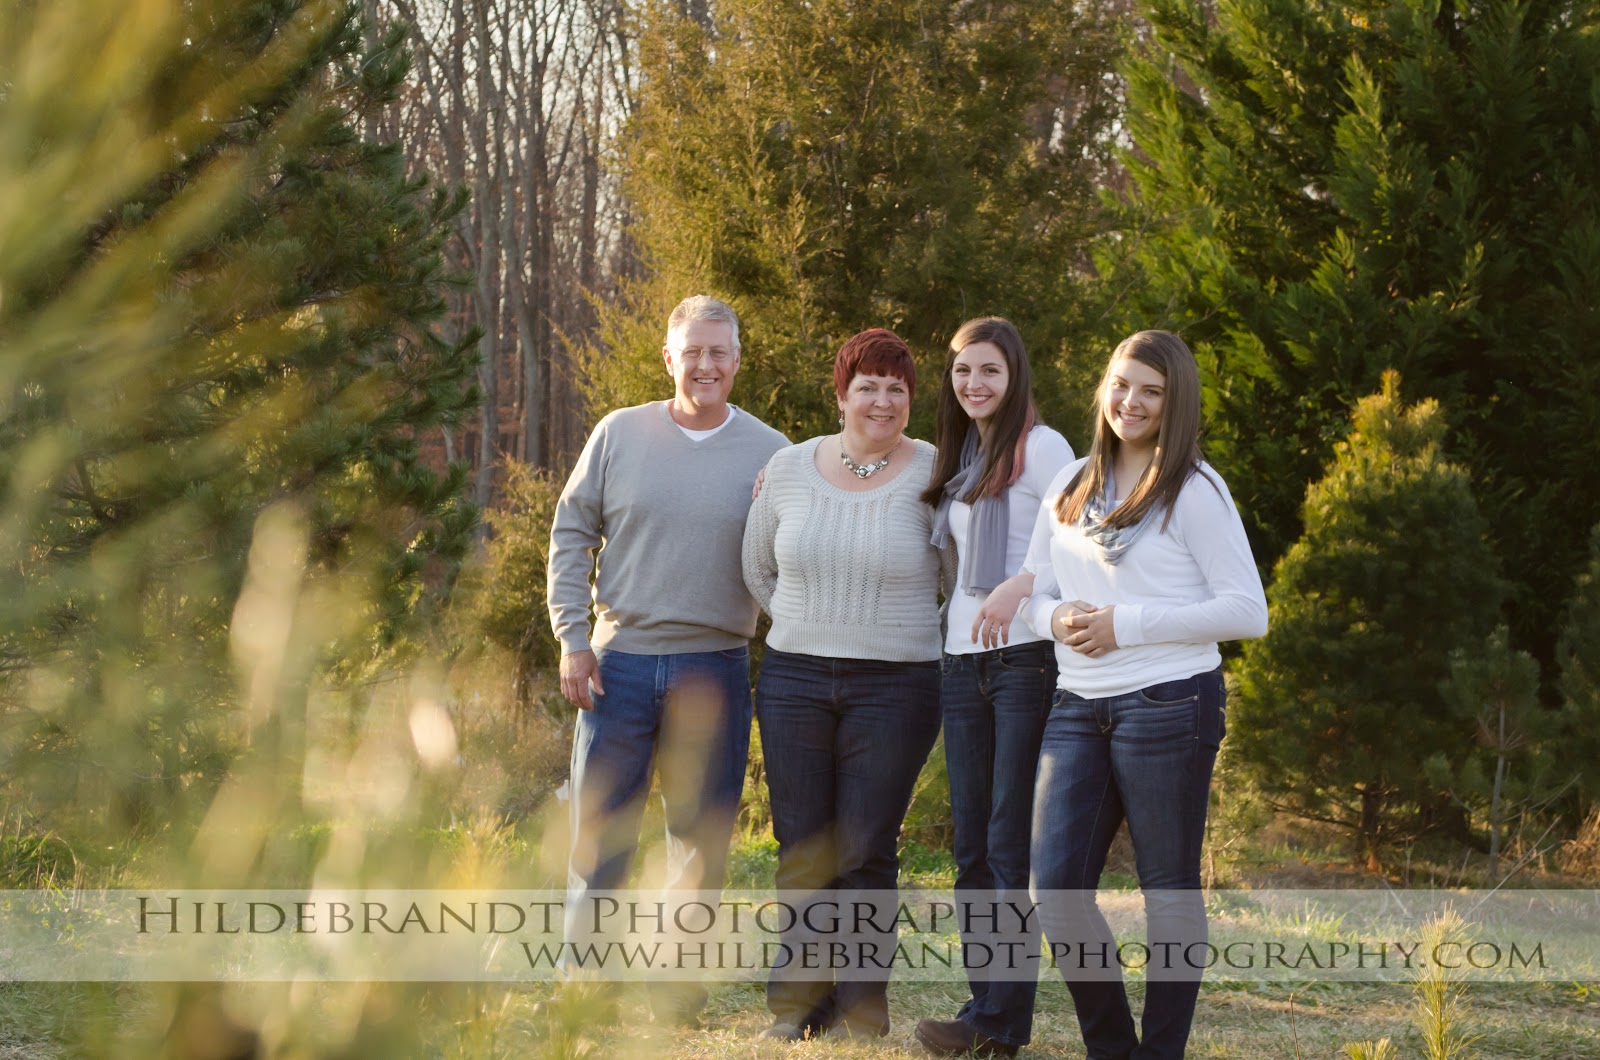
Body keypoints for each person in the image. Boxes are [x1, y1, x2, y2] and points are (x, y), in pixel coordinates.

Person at [1016, 330, 1267, 1059]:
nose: (1132, 401)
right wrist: (1054, 618)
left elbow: (1247, 611)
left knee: (1167, 893)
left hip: (1169, 705)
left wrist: (1126, 624)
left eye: (1151, 391)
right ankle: (1113, 1049)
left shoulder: (1194, 490)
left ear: (1173, 402)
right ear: (1104, 388)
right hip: (1076, 706)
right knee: (1056, 894)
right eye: (1122, 384)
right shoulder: (1069, 484)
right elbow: (1038, 590)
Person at [546, 294, 787, 1021]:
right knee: (600, 834)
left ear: (737, 362)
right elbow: (570, 533)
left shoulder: (773, 452)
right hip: (617, 666)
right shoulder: (620, 433)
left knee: (699, 842)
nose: (706, 365)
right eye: (694, 352)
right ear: (669, 358)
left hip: (713, 667)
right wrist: (572, 638)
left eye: (720, 353)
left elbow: (790, 558)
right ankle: (583, 982)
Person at [741, 328, 951, 1041]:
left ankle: (862, 1002)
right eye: (868, 386)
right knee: (802, 844)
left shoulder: (936, 471)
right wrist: (806, 624)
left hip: (898, 685)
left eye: (898, 389)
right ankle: (799, 1005)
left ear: (912, 401)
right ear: (841, 395)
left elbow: (957, 578)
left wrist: (894, 632)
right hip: (796, 676)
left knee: (864, 845)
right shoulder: (789, 469)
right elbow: (757, 568)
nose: (882, 401)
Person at [912, 318, 1075, 1059]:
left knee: (1009, 844)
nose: (974, 384)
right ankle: (984, 1008)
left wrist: (1019, 585)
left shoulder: (1043, 448)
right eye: (962, 373)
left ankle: (1001, 1025)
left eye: (989, 372)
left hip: (1023, 664)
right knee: (972, 846)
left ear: (1015, 377)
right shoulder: (966, 454)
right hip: (959, 661)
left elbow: (1075, 542)